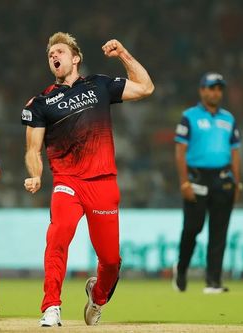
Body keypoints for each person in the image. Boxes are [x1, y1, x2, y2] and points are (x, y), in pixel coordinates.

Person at [21, 32, 154, 327]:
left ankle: (98, 296)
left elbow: (146, 87)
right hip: (67, 181)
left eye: (60, 51)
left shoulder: (100, 85)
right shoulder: (40, 103)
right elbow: (32, 149)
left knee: (110, 261)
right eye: (50, 54)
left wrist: (123, 54)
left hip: (103, 183)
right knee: (58, 236)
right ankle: (51, 306)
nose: (54, 57)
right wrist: (35, 175)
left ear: (75, 57)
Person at [173, 72, 242, 294]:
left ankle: (213, 281)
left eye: (219, 89)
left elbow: (235, 153)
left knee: (219, 231)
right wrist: (184, 183)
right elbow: (180, 151)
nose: (215, 92)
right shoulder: (189, 116)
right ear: (202, 90)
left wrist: (237, 182)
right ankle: (181, 269)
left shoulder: (228, 119)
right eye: (211, 88)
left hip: (222, 178)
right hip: (197, 177)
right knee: (193, 227)